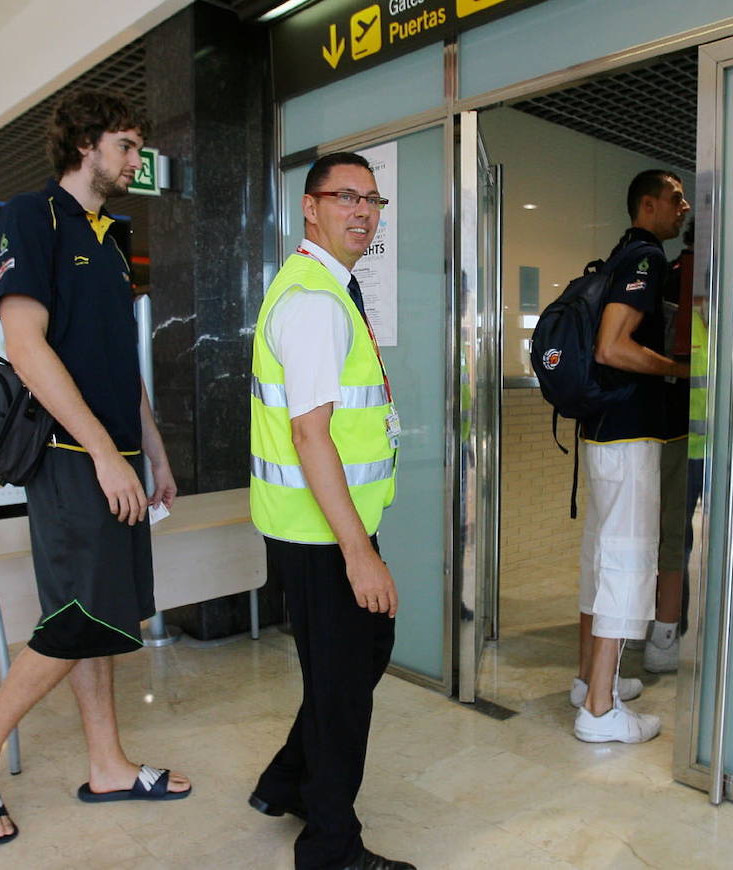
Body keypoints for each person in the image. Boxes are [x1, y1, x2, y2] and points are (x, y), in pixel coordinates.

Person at [0, 91, 189, 846]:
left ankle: (105, 765)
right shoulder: (30, 217)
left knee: (99, 614)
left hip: (117, 453)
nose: (138, 163)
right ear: (86, 144)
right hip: (71, 457)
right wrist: (105, 452)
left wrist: (151, 446)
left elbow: (114, 355)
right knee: (81, 614)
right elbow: (26, 346)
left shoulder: (110, 235)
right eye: (129, 146)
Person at [246, 152, 413, 870]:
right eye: (346, 197)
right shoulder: (315, 301)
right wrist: (359, 552)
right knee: (344, 691)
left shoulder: (323, 287)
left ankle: (285, 781)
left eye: (373, 200)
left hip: (312, 524)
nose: (363, 212)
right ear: (309, 208)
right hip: (321, 534)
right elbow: (309, 434)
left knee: (356, 658)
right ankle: (331, 850)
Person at [572, 169, 691, 743]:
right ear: (648, 204)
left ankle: (588, 682)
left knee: (601, 556)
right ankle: (599, 710)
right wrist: (676, 370)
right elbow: (613, 346)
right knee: (628, 560)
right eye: (675, 198)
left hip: (603, 432)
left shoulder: (619, 254)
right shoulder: (645, 260)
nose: (683, 207)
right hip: (630, 433)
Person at [643, 225, 707, 674]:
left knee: (668, 533)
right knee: (673, 537)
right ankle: (665, 633)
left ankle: (660, 628)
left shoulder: (668, 277)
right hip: (690, 431)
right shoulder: (685, 282)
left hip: (669, 429)